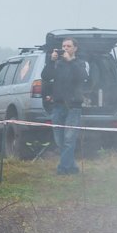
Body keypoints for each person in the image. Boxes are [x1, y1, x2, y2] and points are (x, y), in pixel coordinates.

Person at [41, 37, 88, 175]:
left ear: (75, 48)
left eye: (68, 46)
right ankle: (72, 167)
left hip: (73, 107)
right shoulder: (57, 64)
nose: (65, 48)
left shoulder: (80, 63)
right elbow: (45, 76)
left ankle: (63, 169)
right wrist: (51, 61)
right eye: (63, 46)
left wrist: (71, 61)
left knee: (69, 139)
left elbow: (82, 77)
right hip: (58, 106)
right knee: (59, 140)